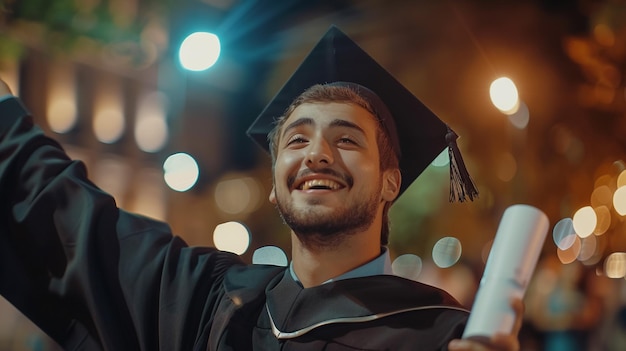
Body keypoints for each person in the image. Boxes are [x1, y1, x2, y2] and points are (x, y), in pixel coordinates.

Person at [0, 26, 522, 350]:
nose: (317, 153)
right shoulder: (210, 298)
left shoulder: (437, 334)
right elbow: (71, 218)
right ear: (275, 185)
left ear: (391, 182)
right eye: (296, 140)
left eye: (346, 140)